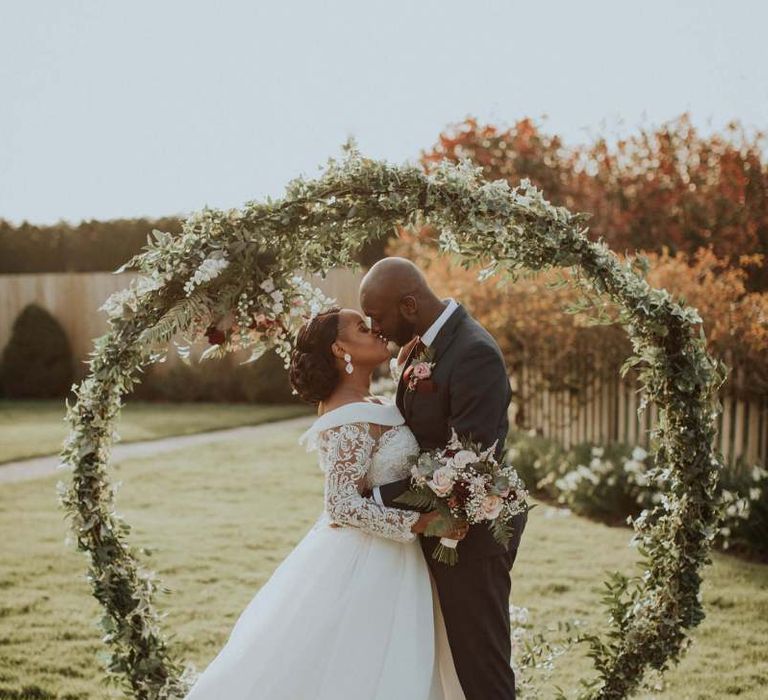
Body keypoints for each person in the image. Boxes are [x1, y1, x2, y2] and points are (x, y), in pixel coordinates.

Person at [183, 305, 468, 700]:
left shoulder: (368, 402)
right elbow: (341, 504)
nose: (374, 329)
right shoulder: (351, 417)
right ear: (339, 349)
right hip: (370, 562)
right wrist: (422, 523)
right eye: (360, 326)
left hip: (393, 558)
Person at [359, 257, 528, 700]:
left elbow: (464, 471)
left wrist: (373, 495)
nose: (374, 328)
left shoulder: (473, 353)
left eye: (378, 317)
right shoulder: (424, 344)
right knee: (447, 665)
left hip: (474, 538)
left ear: (409, 304)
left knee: (481, 670)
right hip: (436, 531)